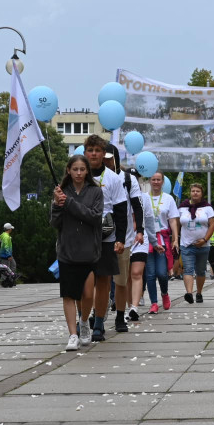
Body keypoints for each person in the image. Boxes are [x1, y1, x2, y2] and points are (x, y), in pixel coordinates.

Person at [50, 154, 104, 351]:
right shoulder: (61, 192)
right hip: (67, 251)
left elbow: (94, 217)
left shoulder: (96, 192)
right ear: (68, 171)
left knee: (88, 293)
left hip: (89, 251)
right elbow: (55, 223)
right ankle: (73, 334)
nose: (79, 173)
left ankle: (84, 322)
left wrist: (70, 203)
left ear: (87, 171)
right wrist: (57, 205)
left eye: (82, 169)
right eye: (75, 169)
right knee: (69, 295)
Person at [83, 134, 128, 342]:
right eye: (90, 150)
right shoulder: (78, 174)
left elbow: (121, 210)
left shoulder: (113, 178)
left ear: (103, 154)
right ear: (85, 153)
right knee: (84, 283)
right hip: (81, 237)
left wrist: (120, 238)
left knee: (103, 281)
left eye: (97, 150)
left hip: (106, 237)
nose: (93, 154)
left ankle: (99, 322)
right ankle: (83, 320)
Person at [106, 145, 146, 333]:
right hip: (99, 236)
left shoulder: (127, 179)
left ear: (115, 158)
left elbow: (137, 206)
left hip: (124, 235)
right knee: (100, 279)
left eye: (108, 157)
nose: (104, 160)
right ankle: (96, 315)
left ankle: (120, 316)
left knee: (121, 280)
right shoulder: (91, 177)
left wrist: (141, 230)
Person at [125, 168, 158, 321]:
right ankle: (127, 305)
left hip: (141, 238)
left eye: (135, 178)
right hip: (124, 238)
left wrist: (154, 242)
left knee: (137, 273)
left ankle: (134, 307)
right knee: (125, 277)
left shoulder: (144, 198)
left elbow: (150, 220)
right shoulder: (120, 194)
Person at [145, 172, 180, 313]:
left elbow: (172, 220)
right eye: (153, 179)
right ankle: (154, 303)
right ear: (149, 181)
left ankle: (165, 293)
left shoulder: (168, 198)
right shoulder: (144, 198)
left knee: (162, 273)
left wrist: (175, 239)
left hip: (162, 239)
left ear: (163, 182)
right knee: (150, 274)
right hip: (147, 239)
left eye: (158, 180)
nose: (156, 182)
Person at [179, 183, 214, 302]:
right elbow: (175, 223)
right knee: (188, 269)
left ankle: (199, 292)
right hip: (186, 244)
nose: (195, 193)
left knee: (200, 270)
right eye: (193, 191)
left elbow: (212, 225)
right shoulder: (182, 208)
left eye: (198, 191)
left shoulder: (207, 208)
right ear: (190, 193)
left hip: (203, 245)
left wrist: (205, 239)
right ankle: (189, 293)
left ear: (201, 194)